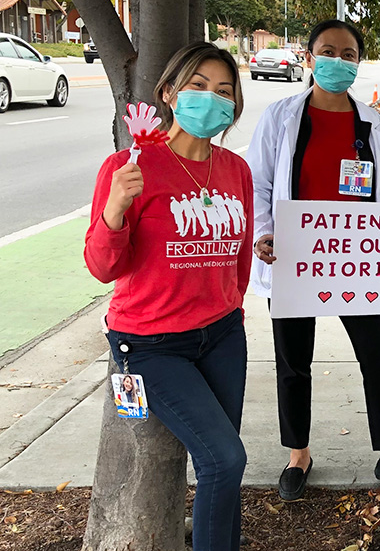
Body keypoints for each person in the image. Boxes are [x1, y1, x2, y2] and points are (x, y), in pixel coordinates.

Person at [248, 19, 380, 500]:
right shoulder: (281, 117)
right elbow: (260, 185)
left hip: (358, 259)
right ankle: (298, 455)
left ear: (358, 63)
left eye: (348, 54)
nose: (337, 60)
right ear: (309, 58)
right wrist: (264, 233)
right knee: (293, 362)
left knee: (378, 356)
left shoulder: (371, 123)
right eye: (327, 51)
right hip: (295, 259)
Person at [85, 42, 253, 551]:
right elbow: (101, 265)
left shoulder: (234, 170)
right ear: (169, 93)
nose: (212, 98)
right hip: (151, 344)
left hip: (222, 335)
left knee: (223, 464)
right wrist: (115, 207)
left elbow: (237, 259)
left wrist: (228, 305)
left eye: (224, 91)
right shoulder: (129, 167)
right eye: (198, 86)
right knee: (225, 458)